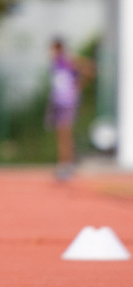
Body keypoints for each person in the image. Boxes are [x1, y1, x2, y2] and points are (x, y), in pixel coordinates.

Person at [47, 37, 93, 180]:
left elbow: (90, 68)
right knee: (61, 133)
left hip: (67, 101)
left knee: (65, 133)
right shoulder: (57, 63)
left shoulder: (66, 61)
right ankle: (64, 164)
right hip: (58, 101)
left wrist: (77, 87)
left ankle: (66, 165)